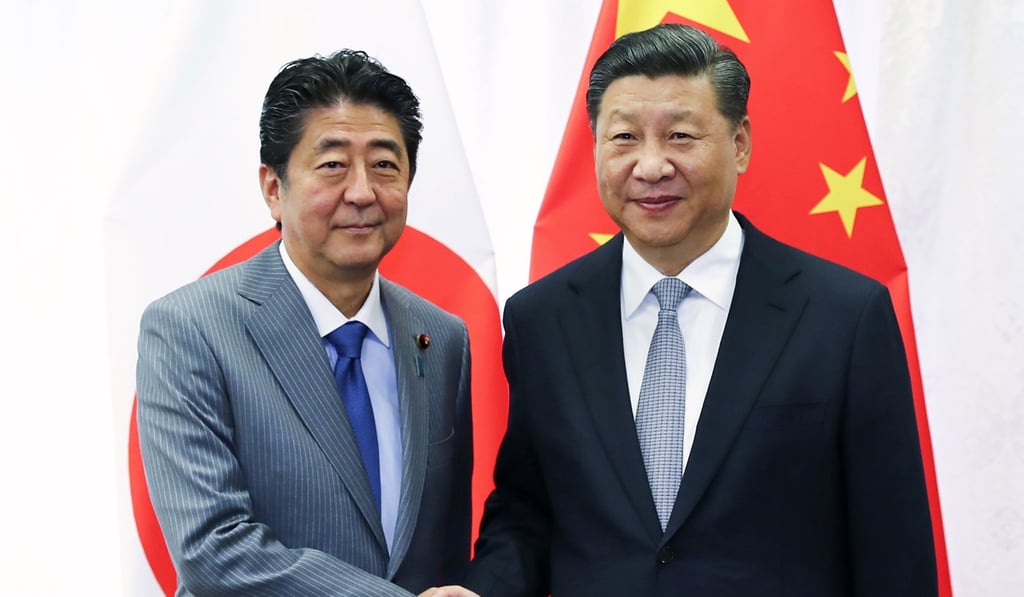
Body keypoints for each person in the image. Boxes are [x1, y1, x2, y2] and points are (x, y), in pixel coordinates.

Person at [463, 24, 937, 596]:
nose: (651, 166)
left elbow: (893, 548)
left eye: (680, 136)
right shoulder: (542, 320)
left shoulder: (844, 317)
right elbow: (527, 514)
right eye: (624, 137)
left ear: (740, 144)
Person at [136, 49, 478, 596]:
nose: (362, 192)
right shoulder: (190, 329)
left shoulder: (441, 338)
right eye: (332, 165)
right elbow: (213, 549)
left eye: (384, 165)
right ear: (274, 188)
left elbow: (444, 549)